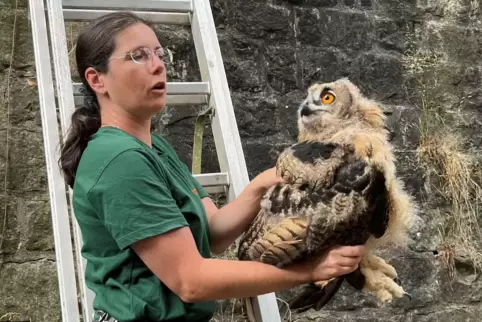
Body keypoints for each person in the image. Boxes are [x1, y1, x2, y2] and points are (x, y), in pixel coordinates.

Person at [58, 11, 365, 322]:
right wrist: (308, 271)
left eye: (159, 53)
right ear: (97, 80)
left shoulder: (155, 148)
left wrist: (266, 182)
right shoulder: (119, 160)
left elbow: (213, 233)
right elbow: (191, 280)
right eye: (138, 56)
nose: (158, 65)